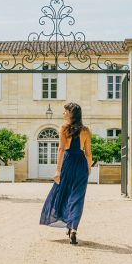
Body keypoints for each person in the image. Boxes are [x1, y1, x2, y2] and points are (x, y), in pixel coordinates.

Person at [39, 101, 92, 245]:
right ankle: (73, 228)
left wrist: (58, 170)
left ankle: (68, 224)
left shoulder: (63, 128)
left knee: (62, 193)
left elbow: (61, 149)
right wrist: (88, 168)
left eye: (65, 111)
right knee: (78, 197)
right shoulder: (86, 130)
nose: (63, 113)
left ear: (71, 113)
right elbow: (88, 153)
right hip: (81, 164)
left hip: (68, 163)